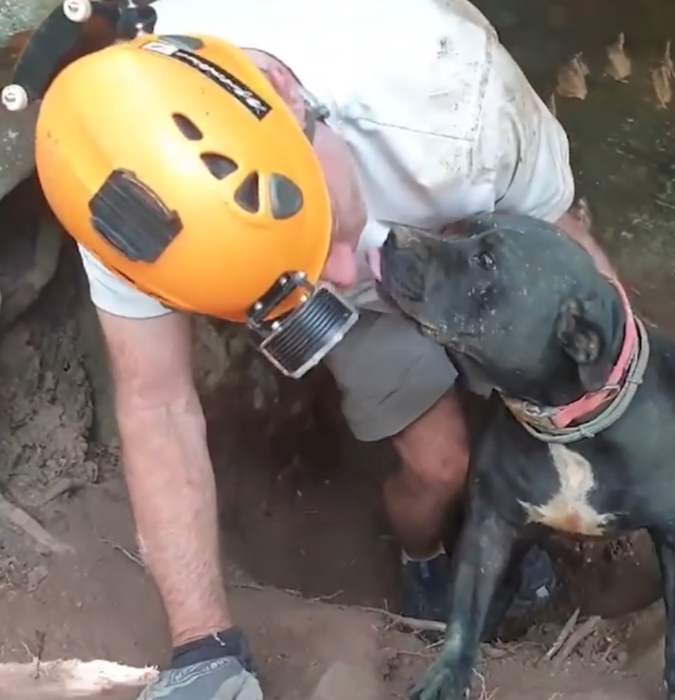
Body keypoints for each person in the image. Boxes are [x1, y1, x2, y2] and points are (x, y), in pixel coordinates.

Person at [32, 0, 616, 698]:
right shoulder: (126, 192)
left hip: (465, 237)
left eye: (323, 227)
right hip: (339, 293)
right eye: (301, 266)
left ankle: (514, 525)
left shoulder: (455, 98)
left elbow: (566, 250)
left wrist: (622, 418)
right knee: (440, 466)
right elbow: (156, 405)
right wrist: (202, 649)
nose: (348, 273)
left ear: (288, 98)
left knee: (534, 402)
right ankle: (423, 559)